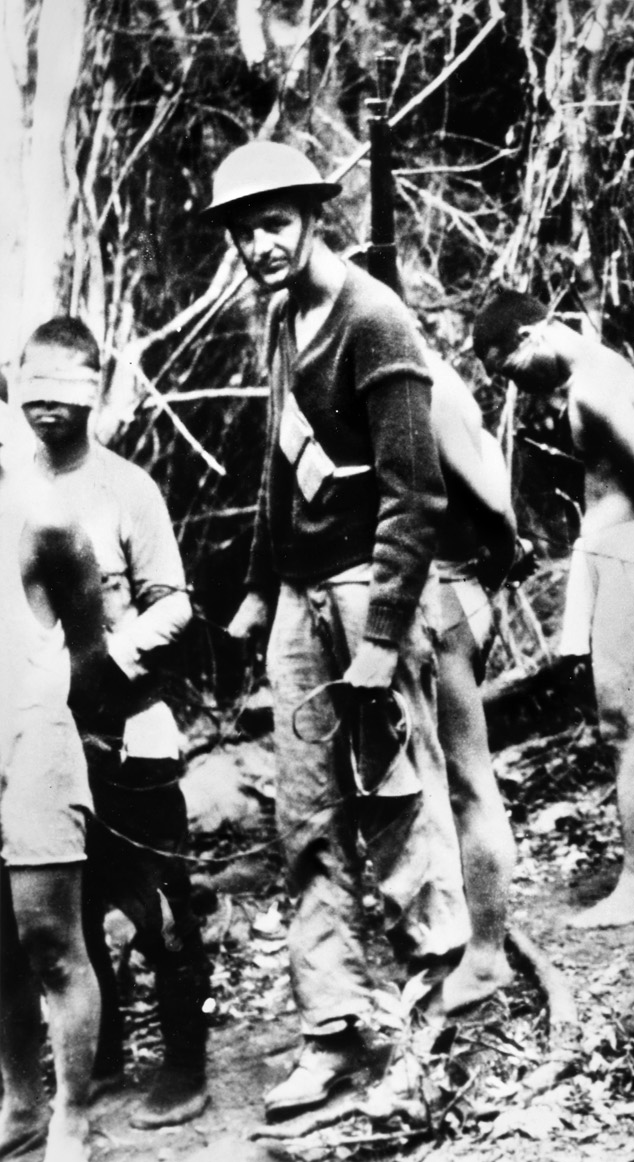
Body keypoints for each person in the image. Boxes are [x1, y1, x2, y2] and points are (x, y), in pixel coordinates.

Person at [208, 141, 468, 1117]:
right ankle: (335, 1031)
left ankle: (430, 1024)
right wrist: (254, 588)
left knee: (397, 809)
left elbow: (415, 493)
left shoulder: (372, 316)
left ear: (312, 217)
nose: (262, 244)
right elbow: (281, 471)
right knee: (305, 821)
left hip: (369, 594)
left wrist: (381, 634)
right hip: (299, 599)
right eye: (245, 230)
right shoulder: (282, 318)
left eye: (276, 222)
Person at [474, 289, 634, 929]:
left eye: (510, 369)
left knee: (624, 728)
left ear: (534, 334)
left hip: (629, 555)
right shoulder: (599, 370)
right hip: (622, 552)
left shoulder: (593, 385)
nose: (519, 387)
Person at [17, 318, 211, 1129]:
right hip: (39, 733)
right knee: (72, 900)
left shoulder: (126, 487)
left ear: (94, 391)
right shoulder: (14, 485)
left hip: (124, 721)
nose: (46, 410)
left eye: (65, 393)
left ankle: (186, 1061)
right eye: (33, 391)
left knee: (158, 901)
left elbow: (174, 604)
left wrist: (103, 665)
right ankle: (95, 1058)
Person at [0, 403, 110, 1162]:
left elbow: (90, 634)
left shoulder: (39, 516)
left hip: (31, 735)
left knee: (50, 938)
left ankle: (74, 1114)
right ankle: (21, 1103)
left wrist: (41, 710)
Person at [422, 349, 523, 1016]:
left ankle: (486, 955)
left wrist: (505, 547)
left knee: (466, 781)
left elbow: (488, 497)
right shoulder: (438, 381)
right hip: (456, 587)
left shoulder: (425, 384)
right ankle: (468, 939)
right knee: (452, 779)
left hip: (444, 593)